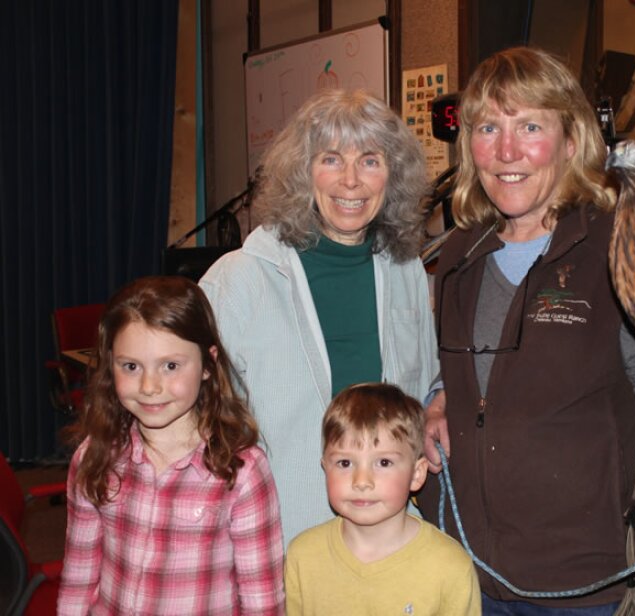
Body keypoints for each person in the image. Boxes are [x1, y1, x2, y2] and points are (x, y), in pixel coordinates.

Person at [419, 47, 635, 615]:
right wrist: (440, 401)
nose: (506, 151)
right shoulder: (458, 254)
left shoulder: (618, 247)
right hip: (465, 571)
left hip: (582, 583)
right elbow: (476, 380)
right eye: (488, 128)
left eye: (530, 126)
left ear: (571, 141)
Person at [200, 89, 439, 546]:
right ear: (302, 173)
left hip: (390, 539)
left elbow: (425, 386)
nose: (351, 181)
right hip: (278, 540)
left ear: (393, 177)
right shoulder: (239, 280)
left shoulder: (406, 268)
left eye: (370, 161)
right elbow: (200, 424)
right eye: (331, 159)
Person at [58, 276, 284, 615]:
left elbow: (262, 602)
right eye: (131, 366)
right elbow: (78, 578)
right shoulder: (94, 456)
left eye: (171, 366)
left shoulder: (242, 470)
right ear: (111, 364)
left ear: (208, 364)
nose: (150, 386)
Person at [284, 383, 480, 615]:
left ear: (417, 474)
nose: (362, 481)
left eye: (383, 462)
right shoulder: (302, 556)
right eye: (345, 463)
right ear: (325, 468)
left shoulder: (451, 567)